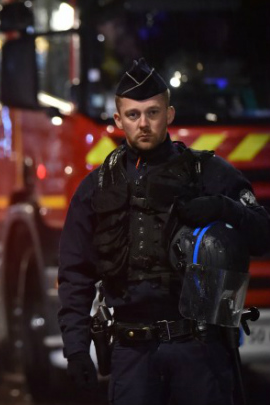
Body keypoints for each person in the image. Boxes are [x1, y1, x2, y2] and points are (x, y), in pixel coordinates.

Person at [57, 58, 270, 405]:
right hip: (131, 354)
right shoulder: (96, 188)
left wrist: (223, 207)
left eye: (153, 112)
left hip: (199, 351)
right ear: (118, 120)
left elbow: (262, 234)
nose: (143, 124)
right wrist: (76, 349)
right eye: (133, 115)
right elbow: (74, 274)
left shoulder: (208, 173)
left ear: (169, 114)